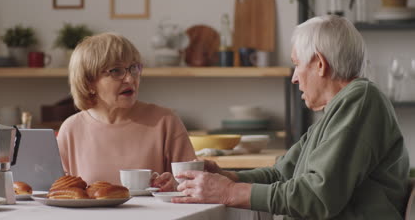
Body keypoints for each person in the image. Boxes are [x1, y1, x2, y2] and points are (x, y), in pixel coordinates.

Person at [173, 15, 410, 219]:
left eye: (297, 64)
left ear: (319, 64)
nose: (294, 77)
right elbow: (281, 173)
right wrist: (226, 177)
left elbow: (317, 197)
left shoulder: (361, 101)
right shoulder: (337, 112)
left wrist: (229, 192)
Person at [57, 32, 196, 191]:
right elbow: (59, 192)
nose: (130, 79)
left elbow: (196, 184)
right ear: (89, 82)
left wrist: (176, 185)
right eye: (116, 71)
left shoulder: (166, 121)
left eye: (134, 68)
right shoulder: (71, 129)